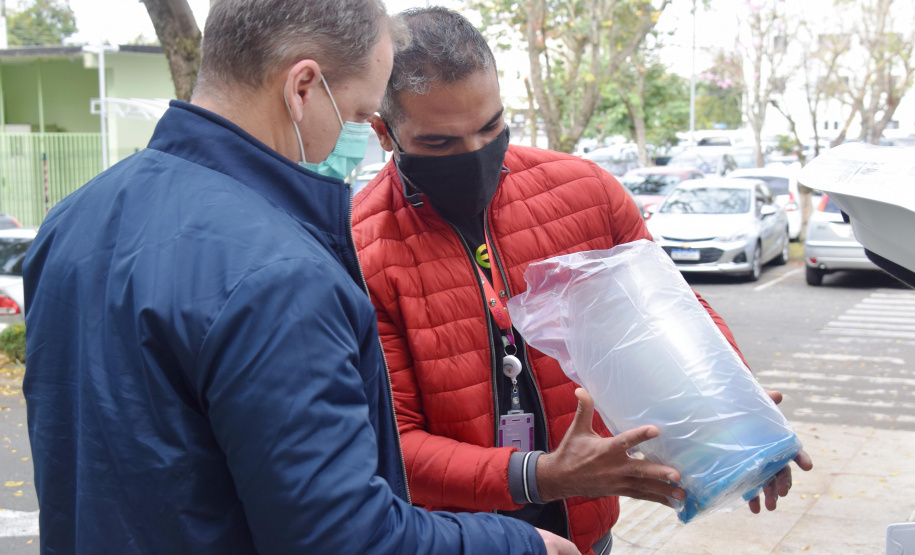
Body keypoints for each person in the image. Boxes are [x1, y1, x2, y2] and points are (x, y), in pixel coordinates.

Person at [22, 1, 578, 554]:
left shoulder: (72, 220)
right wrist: (522, 545)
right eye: (359, 114)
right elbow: (342, 539)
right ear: (303, 88)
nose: (358, 137)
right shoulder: (280, 273)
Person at [352, 7, 812, 555]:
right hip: (461, 541)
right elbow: (393, 446)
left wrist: (742, 428)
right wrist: (543, 476)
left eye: (491, 127)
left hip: (590, 538)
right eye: (440, 144)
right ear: (384, 131)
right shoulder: (360, 248)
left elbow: (679, 320)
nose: (475, 154)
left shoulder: (585, 192)